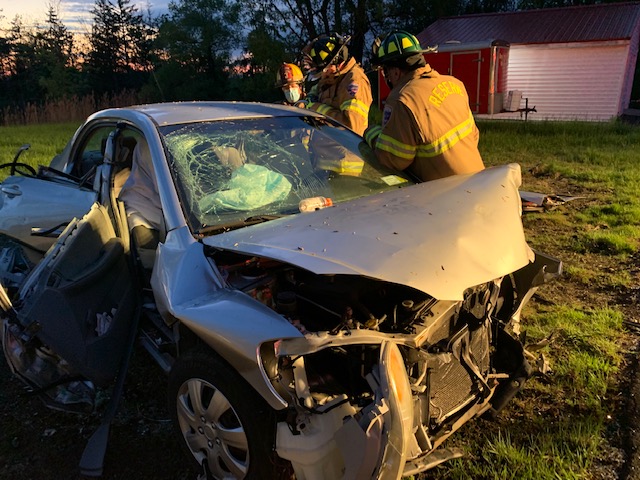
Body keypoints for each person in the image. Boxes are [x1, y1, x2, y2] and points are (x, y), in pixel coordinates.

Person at [363, 30, 485, 182]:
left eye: (385, 71)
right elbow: (474, 136)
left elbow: (393, 158)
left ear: (395, 71)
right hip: (479, 183)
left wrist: (372, 134)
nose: (386, 77)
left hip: (446, 193)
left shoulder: (402, 100)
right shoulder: (455, 84)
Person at [300, 33, 372, 136]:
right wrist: (308, 99)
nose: (323, 75)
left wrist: (314, 108)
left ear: (337, 62)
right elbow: (317, 89)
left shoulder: (354, 81)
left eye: (325, 70)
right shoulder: (333, 77)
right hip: (325, 144)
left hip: (343, 146)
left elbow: (352, 126)